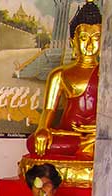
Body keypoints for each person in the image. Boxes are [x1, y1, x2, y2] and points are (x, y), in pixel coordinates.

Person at [26, 0, 102, 158]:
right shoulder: (59, 74)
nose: (89, 45)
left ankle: (90, 144)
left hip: (96, 134)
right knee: (33, 142)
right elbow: (48, 111)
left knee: (104, 141)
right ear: (73, 42)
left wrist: (101, 129)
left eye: (96, 38)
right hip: (69, 134)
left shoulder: (107, 75)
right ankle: (86, 146)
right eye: (83, 38)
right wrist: (42, 129)